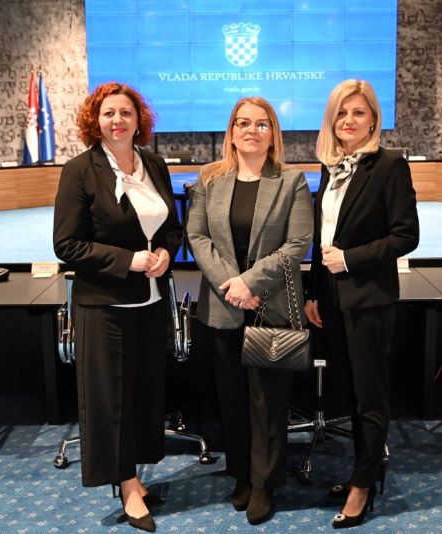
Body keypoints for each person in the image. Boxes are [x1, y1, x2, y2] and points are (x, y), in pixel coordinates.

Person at [53, 82, 181, 533]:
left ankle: (136, 476)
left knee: (142, 394)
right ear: (96, 120)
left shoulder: (154, 164)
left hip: (151, 301)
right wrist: (129, 260)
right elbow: (67, 244)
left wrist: (165, 253)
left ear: (138, 119)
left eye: (126, 112)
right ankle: (126, 485)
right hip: (104, 305)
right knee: (112, 401)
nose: (118, 121)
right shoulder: (79, 171)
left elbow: (172, 227)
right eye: (109, 113)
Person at [186, 96, 313, 525]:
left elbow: (297, 244)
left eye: (261, 123)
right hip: (223, 308)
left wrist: (250, 284)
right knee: (232, 400)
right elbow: (197, 237)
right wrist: (232, 286)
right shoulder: (210, 178)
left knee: (268, 402)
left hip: (270, 308)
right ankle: (241, 474)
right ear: (232, 131)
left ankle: (264, 484)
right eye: (243, 123)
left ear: (273, 133)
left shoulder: (292, 181)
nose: (251, 130)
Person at [304, 79, 420, 529]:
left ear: (373, 119)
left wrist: (350, 259)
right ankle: (363, 470)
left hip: (370, 298)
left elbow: (405, 236)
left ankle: (363, 485)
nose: (348, 120)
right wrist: (315, 292)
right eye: (341, 113)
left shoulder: (390, 165)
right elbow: (323, 239)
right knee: (351, 394)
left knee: (370, 397)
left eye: (358, 112)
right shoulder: (331, 168)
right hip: (333, 300)